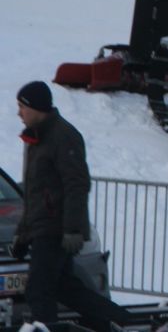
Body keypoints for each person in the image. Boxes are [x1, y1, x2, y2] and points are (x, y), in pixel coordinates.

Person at [11, 81, 132, 331]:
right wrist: (23, 235)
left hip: (55, 229)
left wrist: (73, 230)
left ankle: (45, 328)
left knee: (39, 290)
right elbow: (34, 194)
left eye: (22, 107)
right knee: (65, 288)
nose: (19, 113)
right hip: (44, 227)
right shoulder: (35, 138)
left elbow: (76, 185)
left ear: (37, 107)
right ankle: (123, 323)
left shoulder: (63, 136)